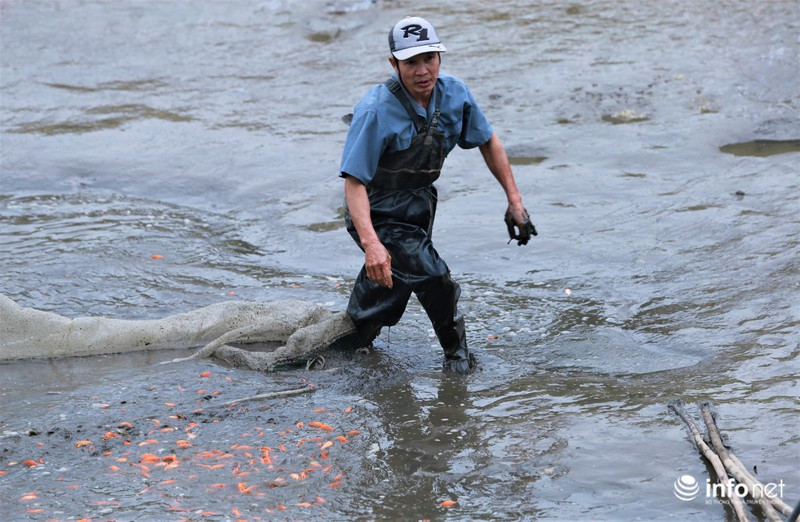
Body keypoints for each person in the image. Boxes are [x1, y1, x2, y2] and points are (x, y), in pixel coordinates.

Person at [339, 16, 536, 374]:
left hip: (420, 205)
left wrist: (514, 200)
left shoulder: (455, 94)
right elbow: (354, 183)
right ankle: (458, 359)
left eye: (429, 58)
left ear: (440, 58)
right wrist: (372, 243)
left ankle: (350, 342)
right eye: (411, 62)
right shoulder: (374, 110)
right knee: (432, 275)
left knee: (390, 285)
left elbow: (488, 141)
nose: (422, 70)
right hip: (377, 209)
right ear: (393, 64)